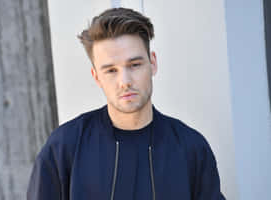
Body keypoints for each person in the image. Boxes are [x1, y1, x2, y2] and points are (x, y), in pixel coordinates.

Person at [27, 7, 226, 200]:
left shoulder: (191, 148)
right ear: (96, 77)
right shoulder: (65, 148)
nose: (125, 81)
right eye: (111, 70)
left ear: (153, 63)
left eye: (134, 65)